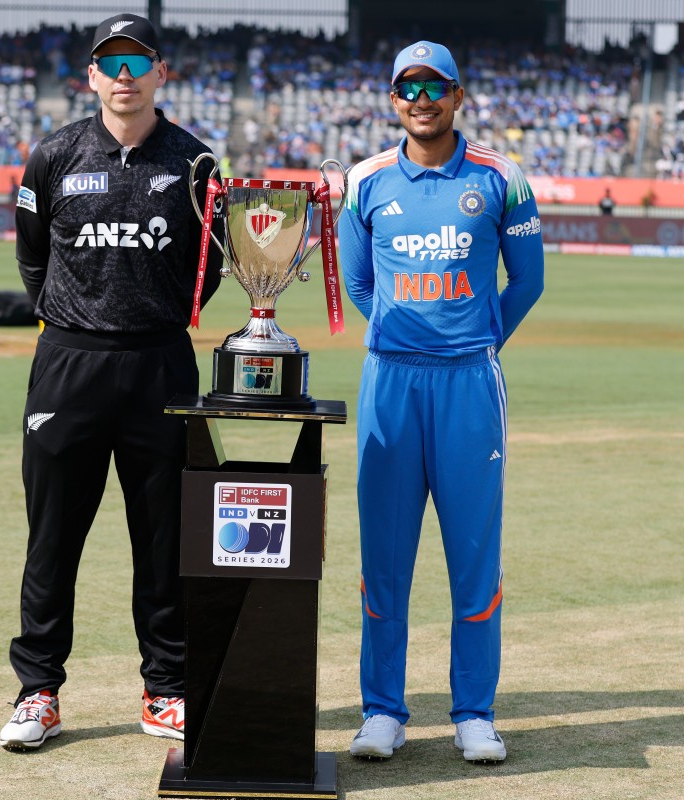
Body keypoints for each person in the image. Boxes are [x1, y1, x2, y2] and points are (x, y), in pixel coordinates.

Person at [0, 12, 224, 750]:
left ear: (161, 71)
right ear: (91, 75)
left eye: (137, 61)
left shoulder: (195, 163)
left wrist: (157, 315)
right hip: (70, 365)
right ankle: (38, 690)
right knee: (52, 536)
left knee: (164, 539)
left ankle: (167, 689)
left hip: (160, 363)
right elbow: (32, 256)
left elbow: (212, 267)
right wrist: (71, 318)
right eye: (110, 63)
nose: (124, 76)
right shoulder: (54, 154)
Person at [338, 41, 544, 762]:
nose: (421, 100)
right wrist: (405, 334)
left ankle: (474, 713)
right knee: (385, 558)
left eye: (435, 87)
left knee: (473, 556)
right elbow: (358, 284)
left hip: (469, 385)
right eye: (408, 88)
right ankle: (382, 711)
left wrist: (475, 340)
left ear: (458, 95)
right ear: (393, 99)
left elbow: (527, 281)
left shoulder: (501, 177)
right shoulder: (365, 181)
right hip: (391, 382)